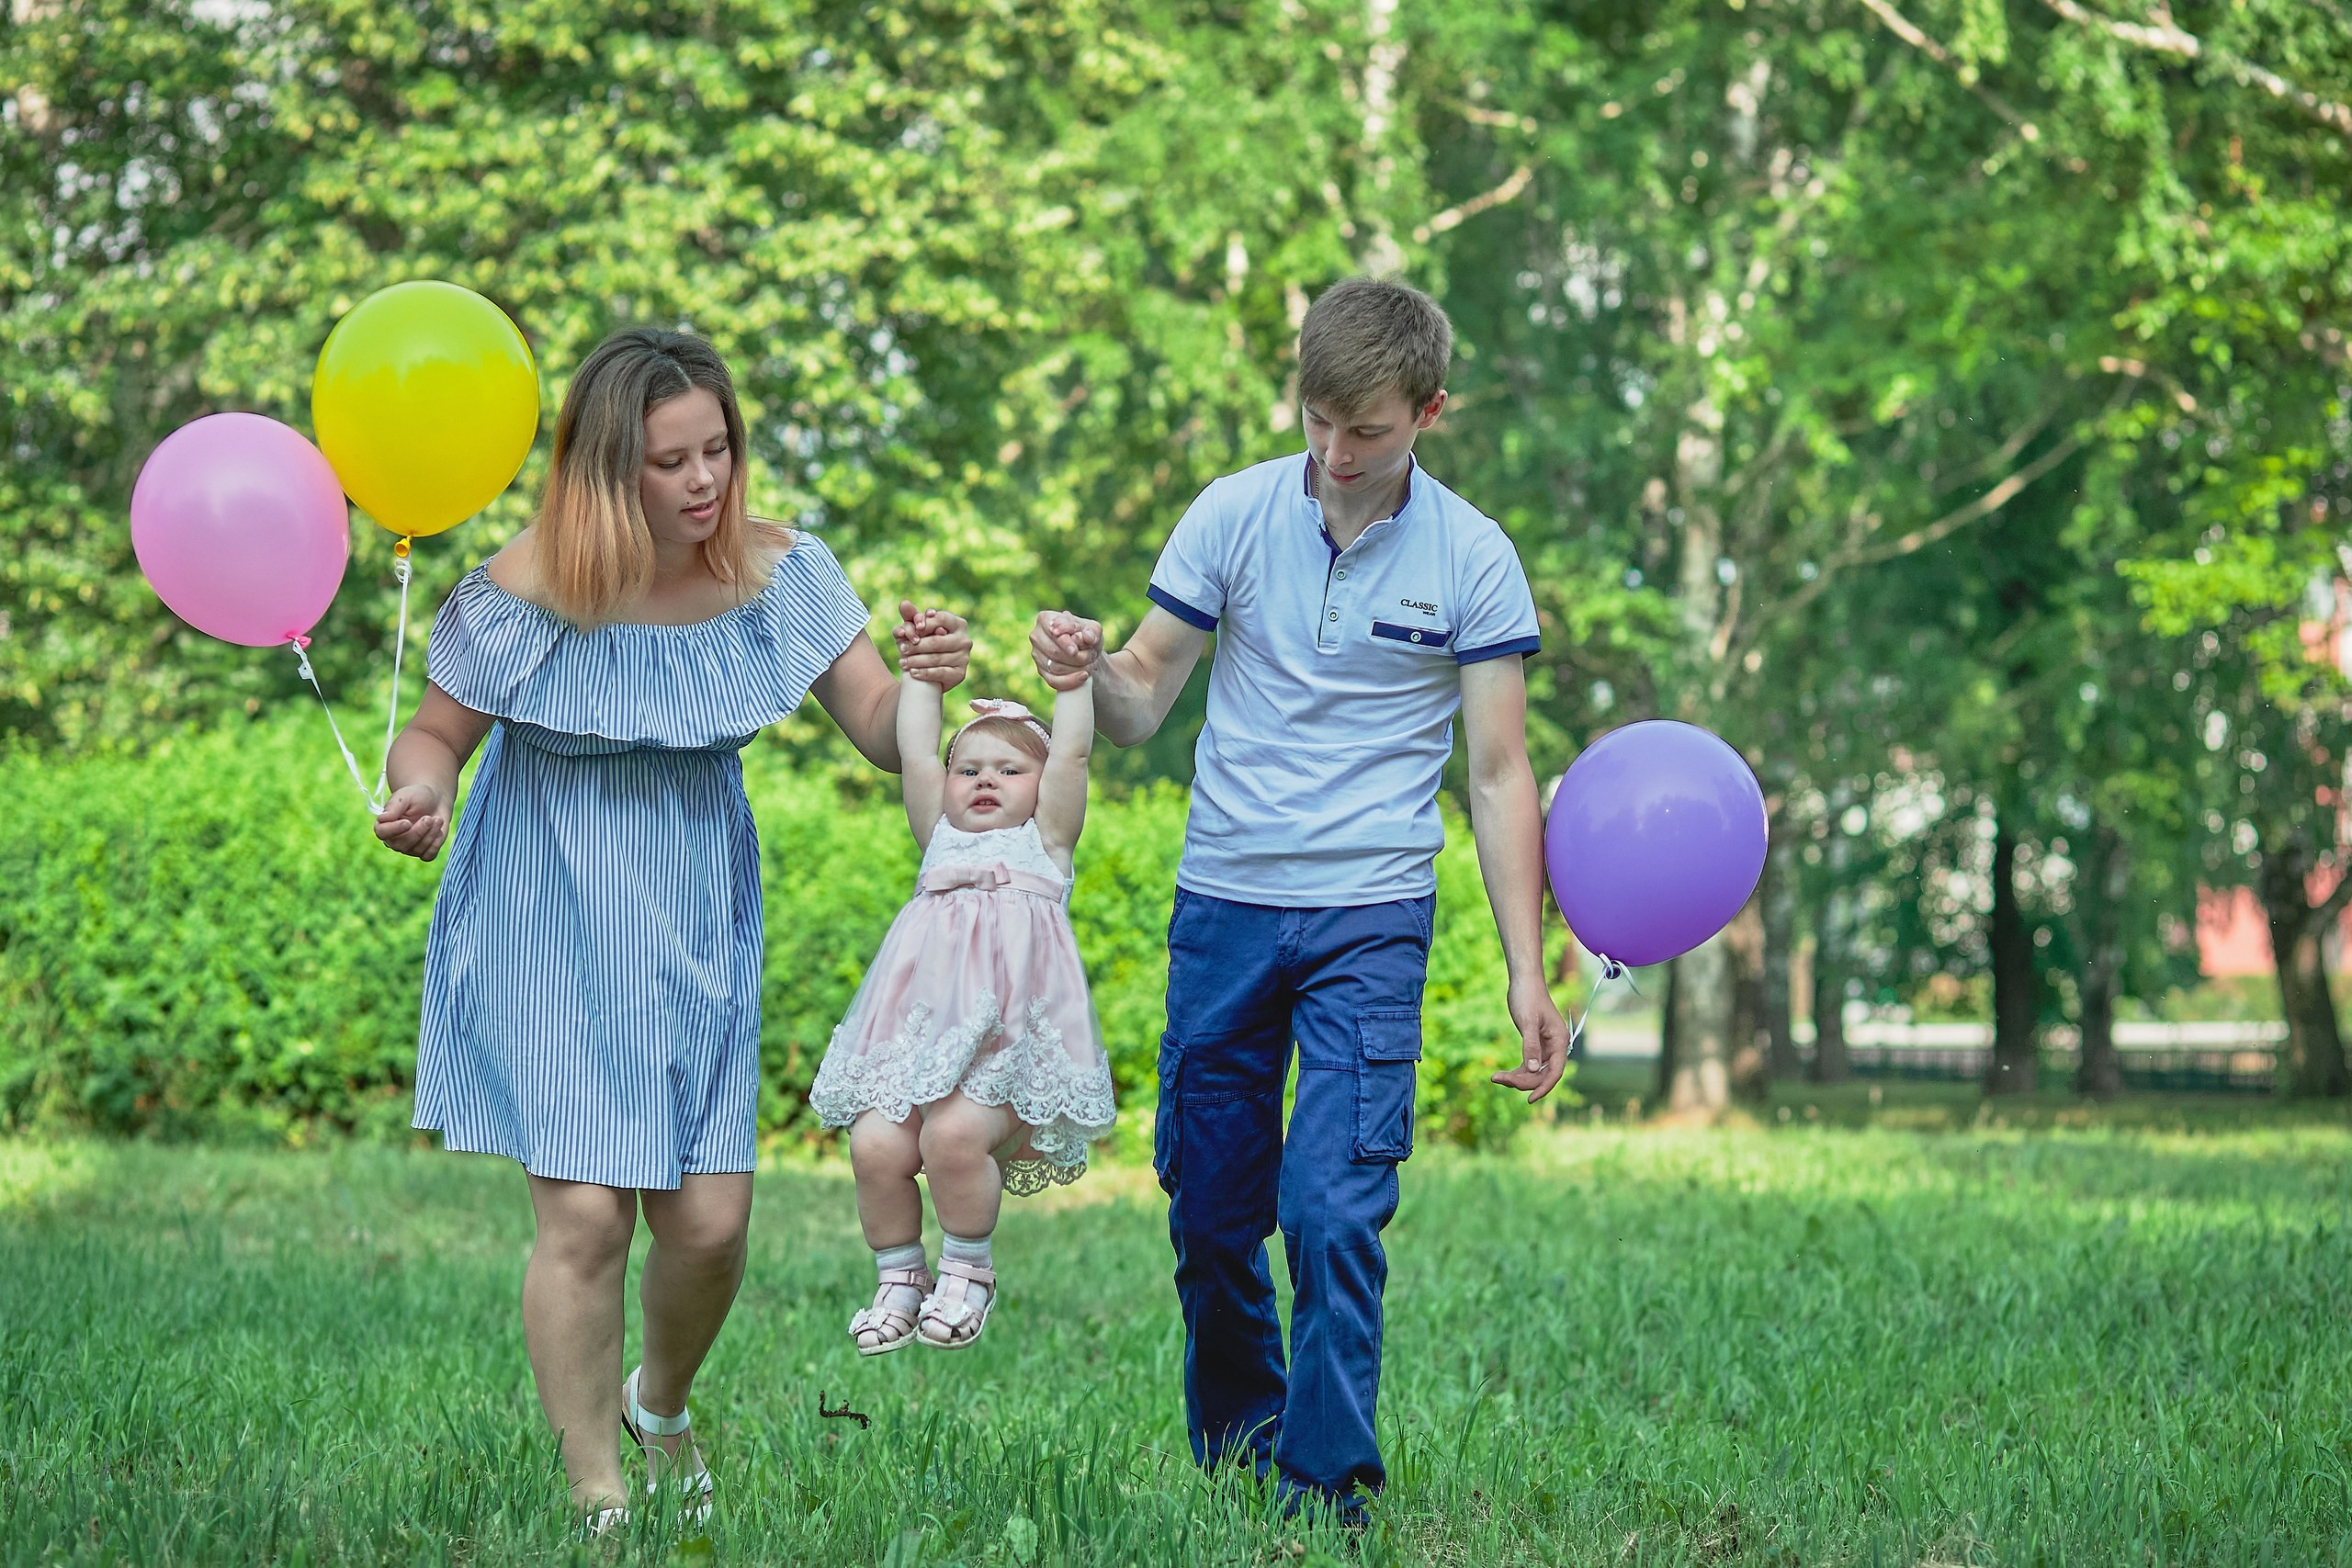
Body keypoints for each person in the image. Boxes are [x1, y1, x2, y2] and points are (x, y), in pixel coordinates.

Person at [372, 326, 970, 1532]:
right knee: (586, 1212)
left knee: (709, 1221)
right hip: (544, 897)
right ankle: (596, 1491)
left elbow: (877, 724)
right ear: (605, 470)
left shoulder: (779, 576)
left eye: (718, 449)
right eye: (669, 461)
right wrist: (422, 789)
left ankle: (661, 1398)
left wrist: (933, 688)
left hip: (694, 904)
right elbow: (435, 734)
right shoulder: (522, 592)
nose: (704, 481)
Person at [1028, 276, 1571, 1522]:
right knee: (1212, 1215)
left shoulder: (1473, 556)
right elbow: (1141, 698)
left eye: (1367, 429)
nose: (1335, 453)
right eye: (1318, 419)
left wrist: (1525, 967)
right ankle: (1240, 1451)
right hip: (1224, 901)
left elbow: (1496, 773)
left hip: (1370, 916)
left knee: (1332, 1212)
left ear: (1429, 410)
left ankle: (1330, 1488)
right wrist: (1081, 670)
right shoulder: (1231, 512)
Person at [808, 669, 1115, 1353]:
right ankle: (898, 1275)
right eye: (969, 768)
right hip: (917, 1049)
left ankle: (968, 1267)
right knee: (875, 1143)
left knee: (952, 1137)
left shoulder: (1048, 845)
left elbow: (1071, 753)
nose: (985, 779)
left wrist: (1072, 682)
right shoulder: (939, 836)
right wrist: (922, 679)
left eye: (1010, 769)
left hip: (1003, 1058)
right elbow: (917, 753)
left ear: (1040, 789)